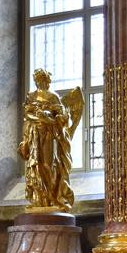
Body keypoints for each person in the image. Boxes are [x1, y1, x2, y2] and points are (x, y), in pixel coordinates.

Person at [17, 69, 83, 211]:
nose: (41, 82)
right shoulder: (31, 96)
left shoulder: (53, 97)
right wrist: (39, 118)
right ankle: (40, 199)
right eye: (38, 80)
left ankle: (53, 198)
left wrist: (49, 117)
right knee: (36, 166)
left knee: (49, 164)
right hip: (34, 134)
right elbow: (27, 115)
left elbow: (63, 117)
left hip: (49, 134)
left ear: (47, 81)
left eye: (43, 80)